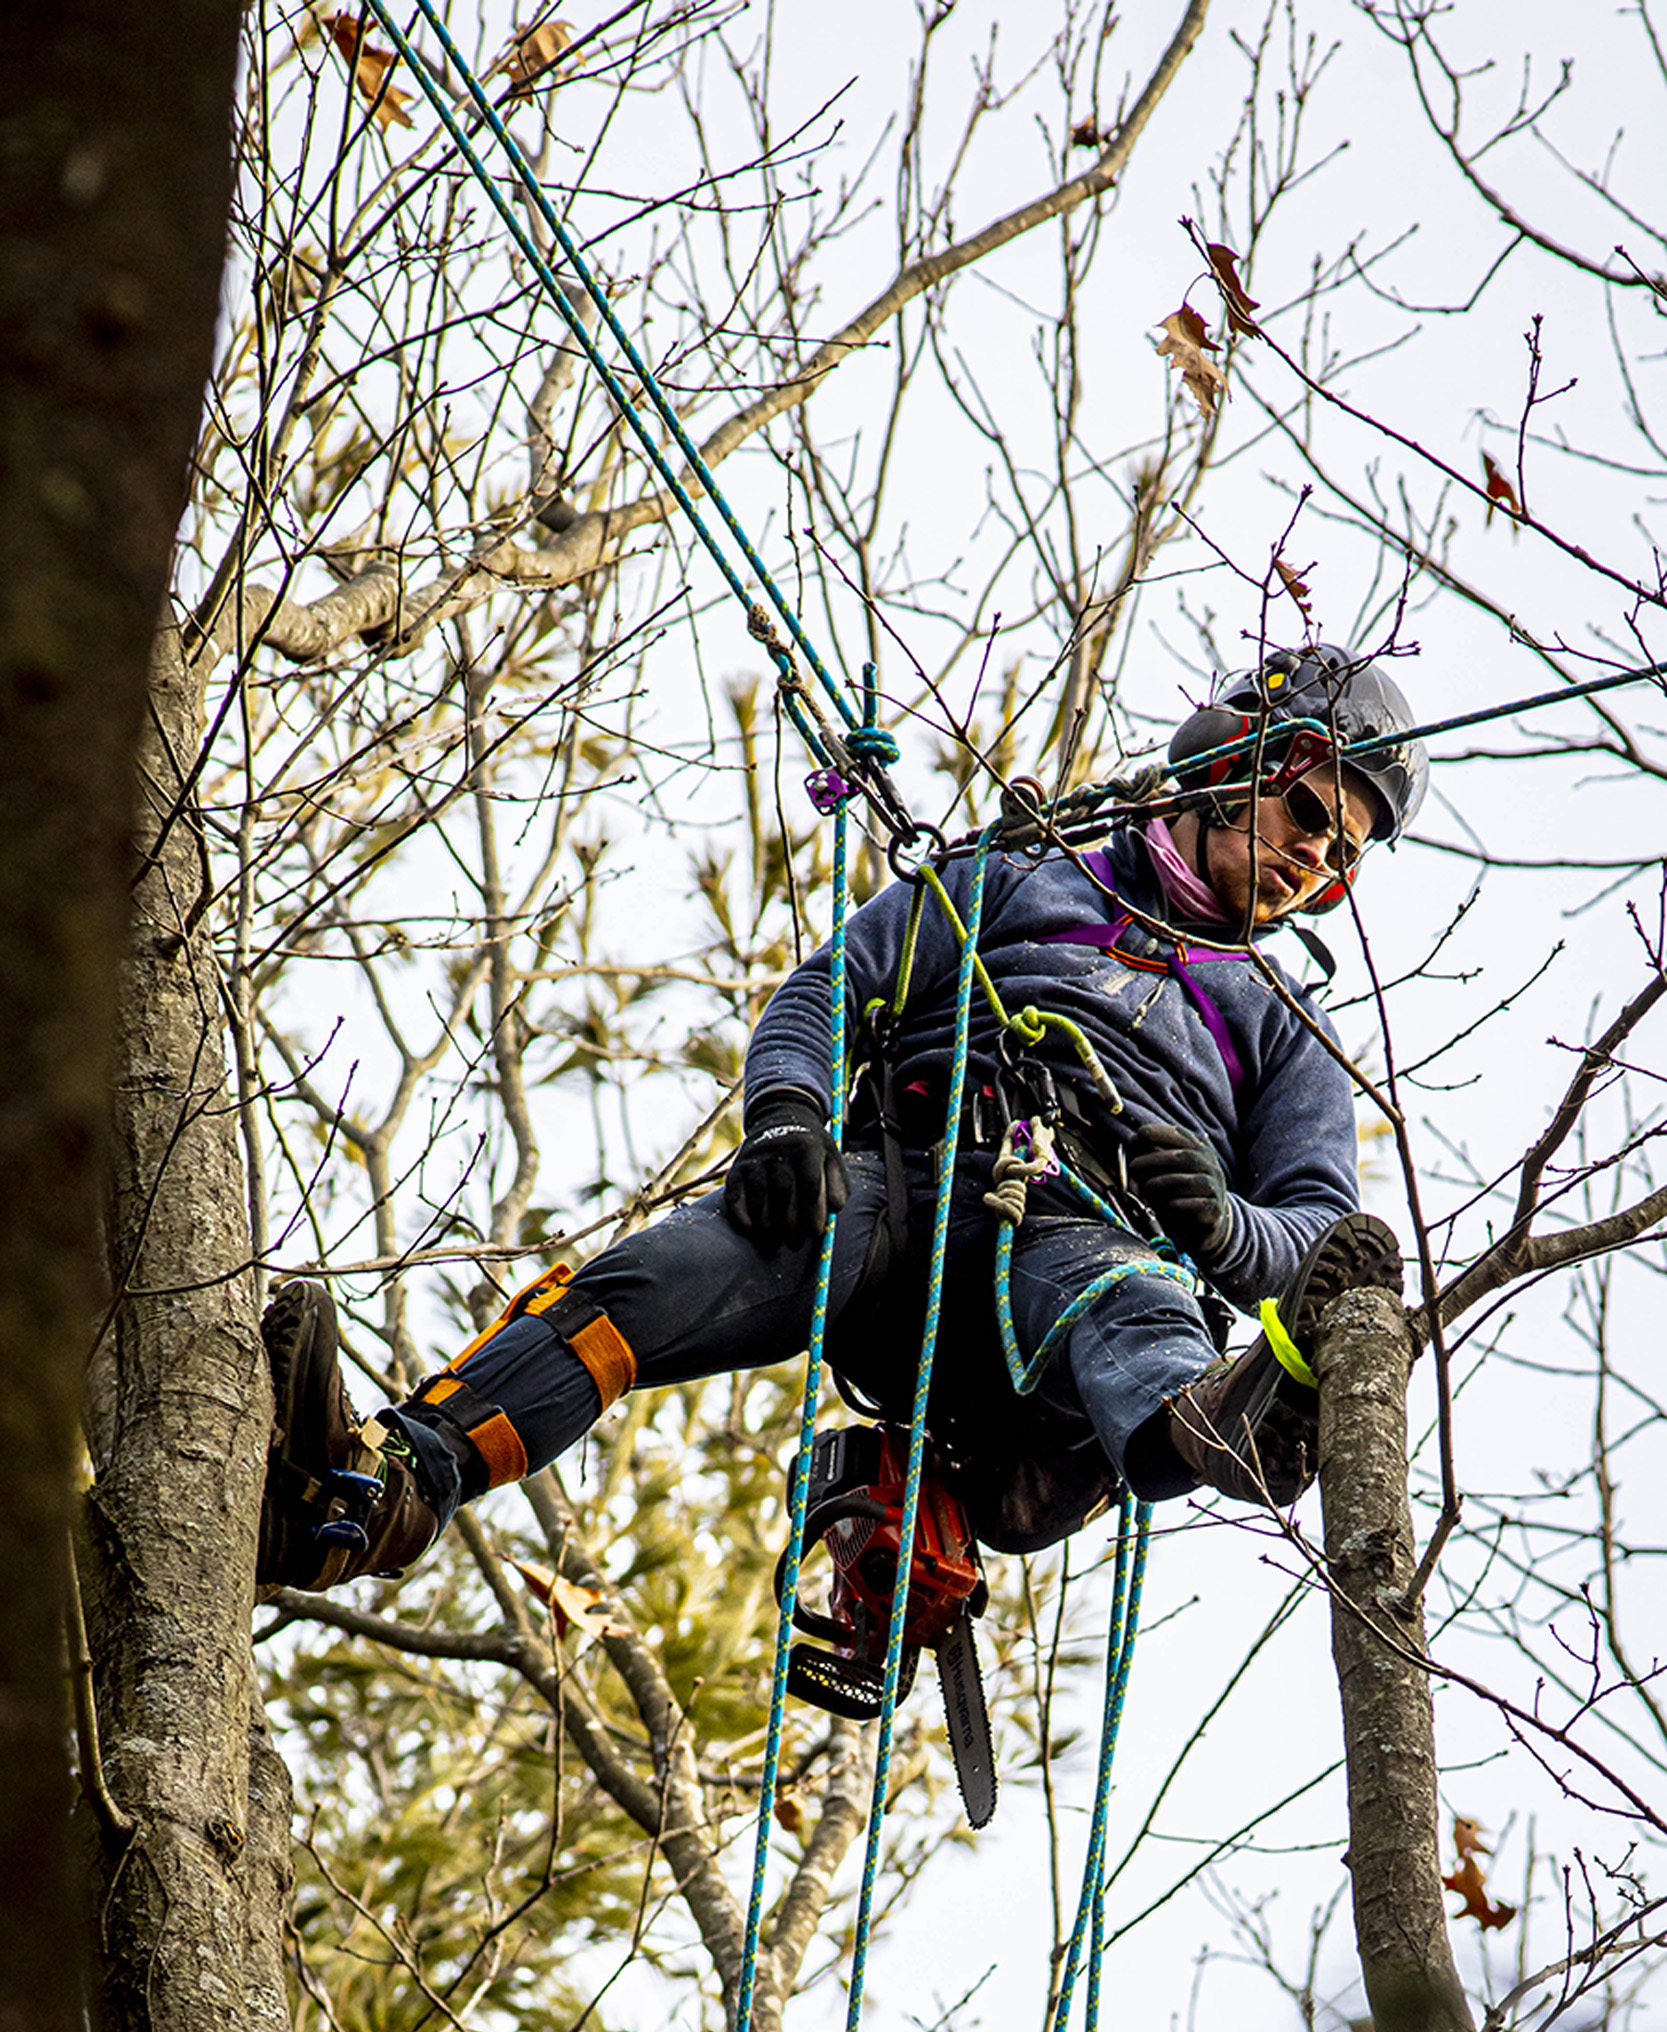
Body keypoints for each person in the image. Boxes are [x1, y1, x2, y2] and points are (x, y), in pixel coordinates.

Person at [257, 641, 1425, 1598]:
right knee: (648, 1283)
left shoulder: (1281, 1025)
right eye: (1309, 810)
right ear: (1233, 764)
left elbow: (1318, 1233)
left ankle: (1220, 1431)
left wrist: (1217, 1226)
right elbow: (834, 985)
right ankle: (383, 1486)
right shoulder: (1020, 877)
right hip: (903, 1194)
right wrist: (784, 1121)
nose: (1315, 858)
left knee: (1130, 1305)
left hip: (1081, 1267)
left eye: (1346, 855)